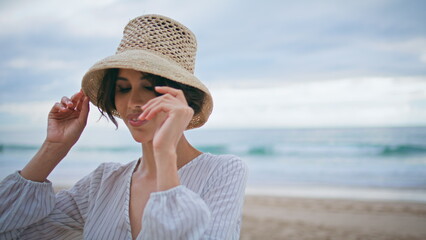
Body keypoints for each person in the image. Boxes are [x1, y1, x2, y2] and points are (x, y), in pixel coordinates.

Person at [0, 14, 248, 239]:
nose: (133, 102)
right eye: (123, 88)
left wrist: (164, 153)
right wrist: (54, 147)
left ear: (182, 97)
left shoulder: (223, 171)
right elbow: (14, 231)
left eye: (150, 87)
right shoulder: (102, 182)